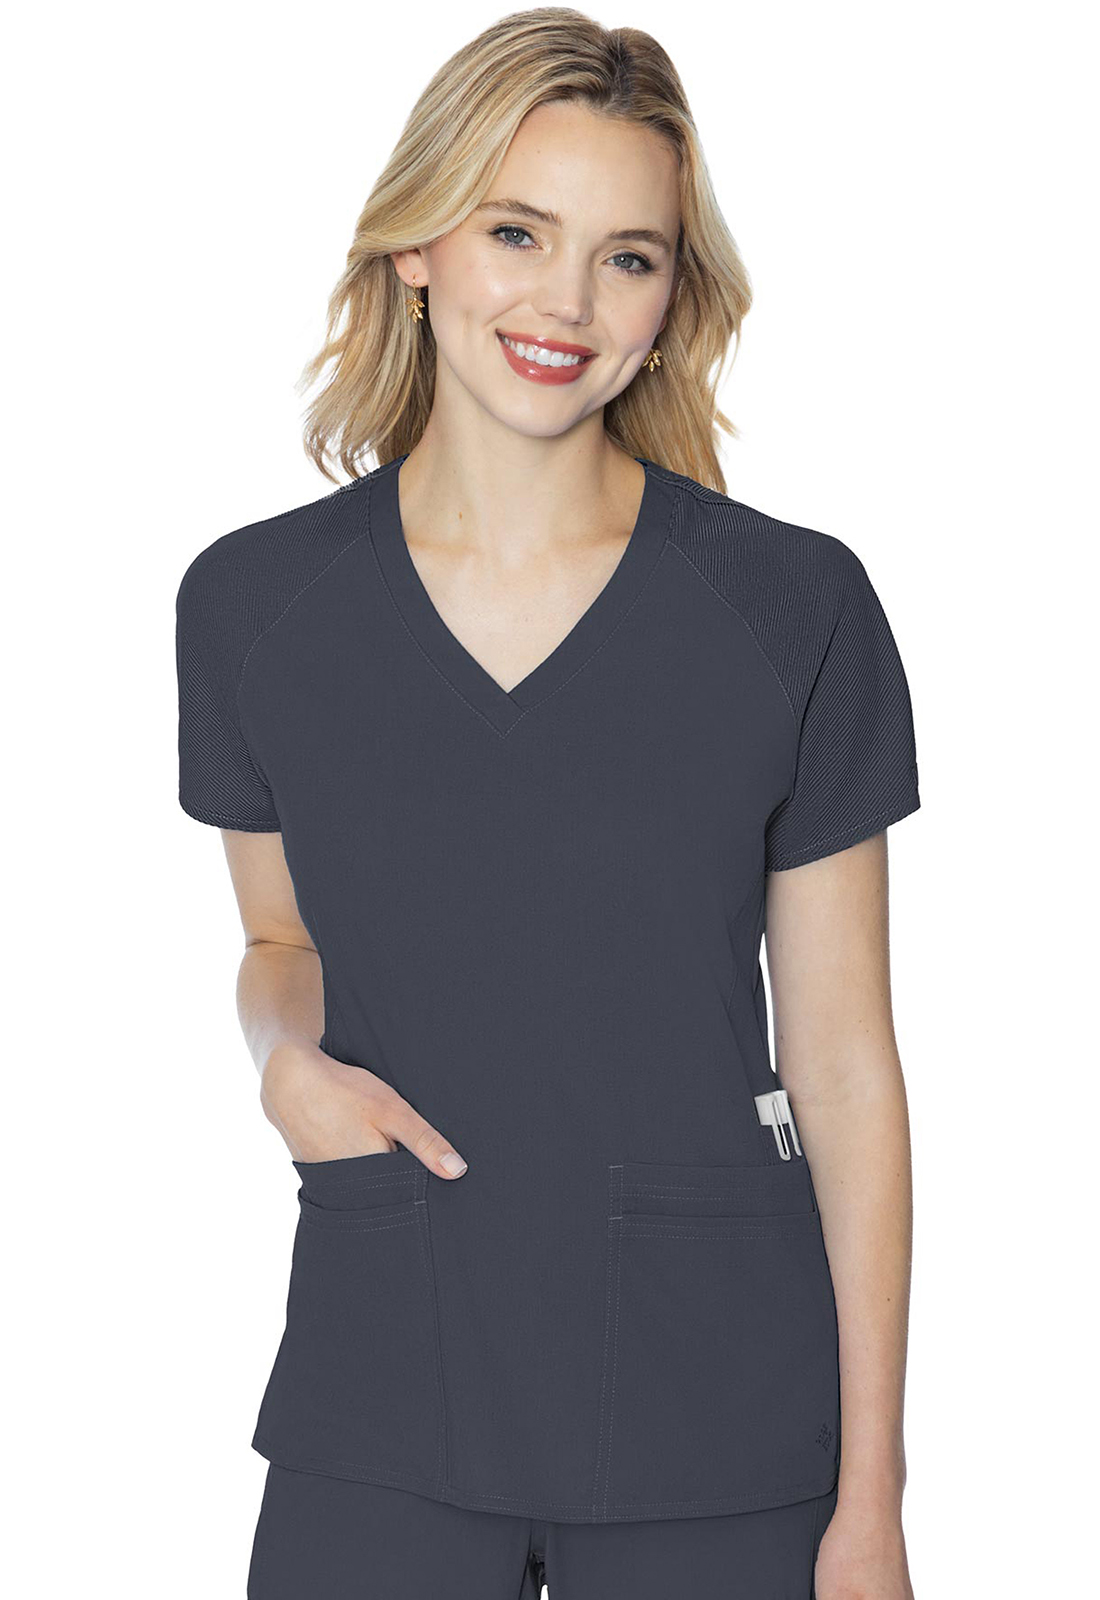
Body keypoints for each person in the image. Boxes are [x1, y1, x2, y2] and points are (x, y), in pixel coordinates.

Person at [174, 10, 921, 1598]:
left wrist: (872, 1498)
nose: (566, 303)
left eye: (626, 257)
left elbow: (846, 1064)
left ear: (671, 299)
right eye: (518, 232)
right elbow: (279, 942)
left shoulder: (792, 611)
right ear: (417, 245)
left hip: (719, 1411)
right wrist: (282, 1063)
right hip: (387, 1373)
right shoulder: (252, 608)